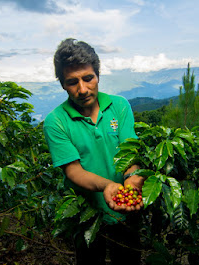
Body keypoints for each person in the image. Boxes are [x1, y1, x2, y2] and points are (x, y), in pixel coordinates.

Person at [43, 38, 144, 265]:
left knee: (128, 259)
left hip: (126, 211)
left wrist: (131, 178)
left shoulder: (119, 106)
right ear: (62, 84)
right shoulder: (55, 122)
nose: (82, 89)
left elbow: (130, 153)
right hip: (87, 215)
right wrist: (107, 185)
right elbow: (74, 171)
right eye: (72, 82)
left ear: (98, 75)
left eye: (88, 78)